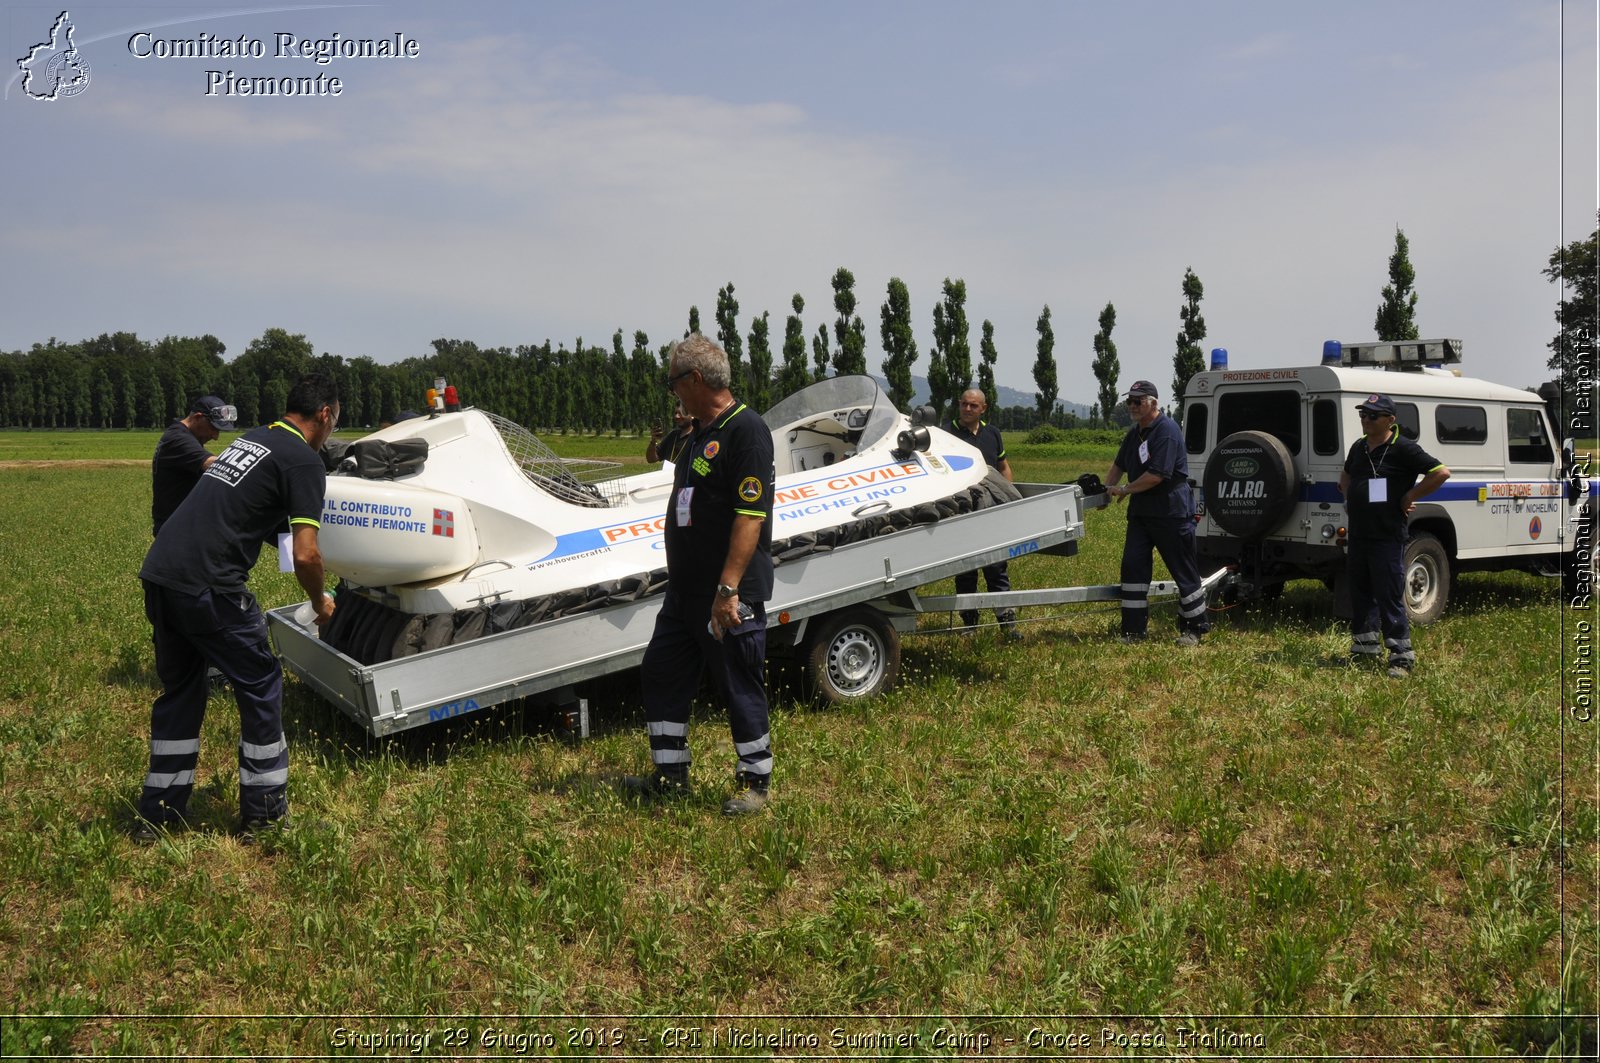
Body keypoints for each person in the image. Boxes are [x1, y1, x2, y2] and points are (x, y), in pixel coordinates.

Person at [133, 374, 341, 843]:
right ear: (325, 415)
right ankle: (265, 817)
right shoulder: (304, 461)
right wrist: (319, 601)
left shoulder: (253, 441)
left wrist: (309, 557)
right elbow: (306, 553)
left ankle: (159, 814)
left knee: (182, 691)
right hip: (210, 587)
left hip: (162, 575)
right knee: (262, 684)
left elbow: (255, 518)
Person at [625, 334, 776, 816]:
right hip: (685, 594)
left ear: (694, 379)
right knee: (661, 670)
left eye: (674, 383)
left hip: (725, 594)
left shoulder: (745, 430)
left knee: (737, 680)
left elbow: (749, 516)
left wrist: (728, 590)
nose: (673, 394)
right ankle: (670, 774)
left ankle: (757, 782)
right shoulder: (697, 434)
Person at [1337, 393, 1451, 677]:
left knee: (1388, 593)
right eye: (1363, 414)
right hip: (1360, 532)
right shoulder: (1359, 447)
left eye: (1372, 415)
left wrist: (1411, 494)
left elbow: (1440, 472)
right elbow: (1346, 475)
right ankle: (1365, 646)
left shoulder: (1404, 448)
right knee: (1360, 589)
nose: (1365, 419)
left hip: (1387, 534)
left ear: (1390, 420)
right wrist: (1349, 497)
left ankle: (1401, 656)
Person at [1105, 380, 1209, 645]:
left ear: (1153, 403)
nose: (1132, 406)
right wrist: (1105, 490)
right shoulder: (1135, 433)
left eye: (1137, 401)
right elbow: (1119, 464)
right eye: (1129, 401)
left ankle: (1195, 629)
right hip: (1141, 514)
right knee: (1133, 568)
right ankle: (1133, 631)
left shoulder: (1167, 431)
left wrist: (1125, 490)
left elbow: (1156, 476)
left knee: (1183, 570)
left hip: (1170, 512)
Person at [943, 387, 1020, 639]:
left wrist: (1007, 496)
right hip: (962, 510)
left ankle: (1007, 624)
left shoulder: (992, 433)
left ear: (983, 408)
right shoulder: (946, 433)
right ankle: (969, 625)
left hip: (991, 511)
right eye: (964, 404)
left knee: (997, 565)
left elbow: (1003, 467)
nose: (967, 409)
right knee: (966, 568)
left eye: (973, 406)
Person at [151, 395, 236, 536]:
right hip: (175, 530)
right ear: (197, 417)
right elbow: (213, 465)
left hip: (180, 526)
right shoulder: (178, 439)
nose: (216, 436)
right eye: (213, 428)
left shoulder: (181, 434)